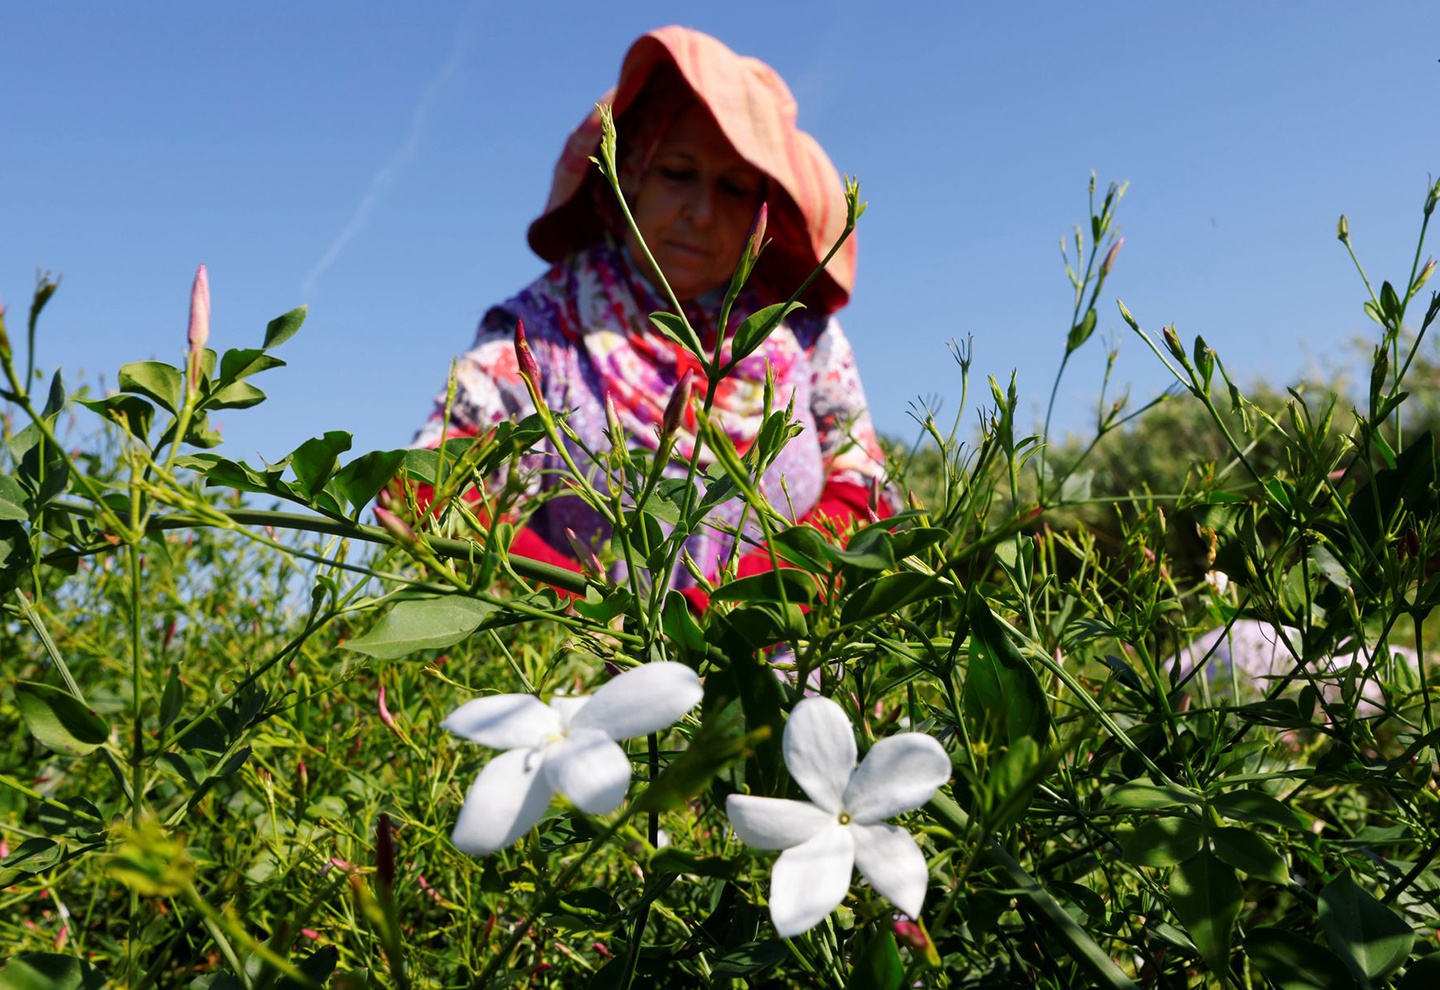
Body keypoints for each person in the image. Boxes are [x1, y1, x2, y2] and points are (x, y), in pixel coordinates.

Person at [413, 26, 889, 594]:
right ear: (631, 176)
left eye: (735, 188)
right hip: (589, 670)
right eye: (678, 174)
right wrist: (588, 612)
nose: (703, 213)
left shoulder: (802, 333)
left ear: (761, 212)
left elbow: (863, 493)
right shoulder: (544, 330)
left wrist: (750, 603)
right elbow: (431, 491)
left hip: (791, 669)